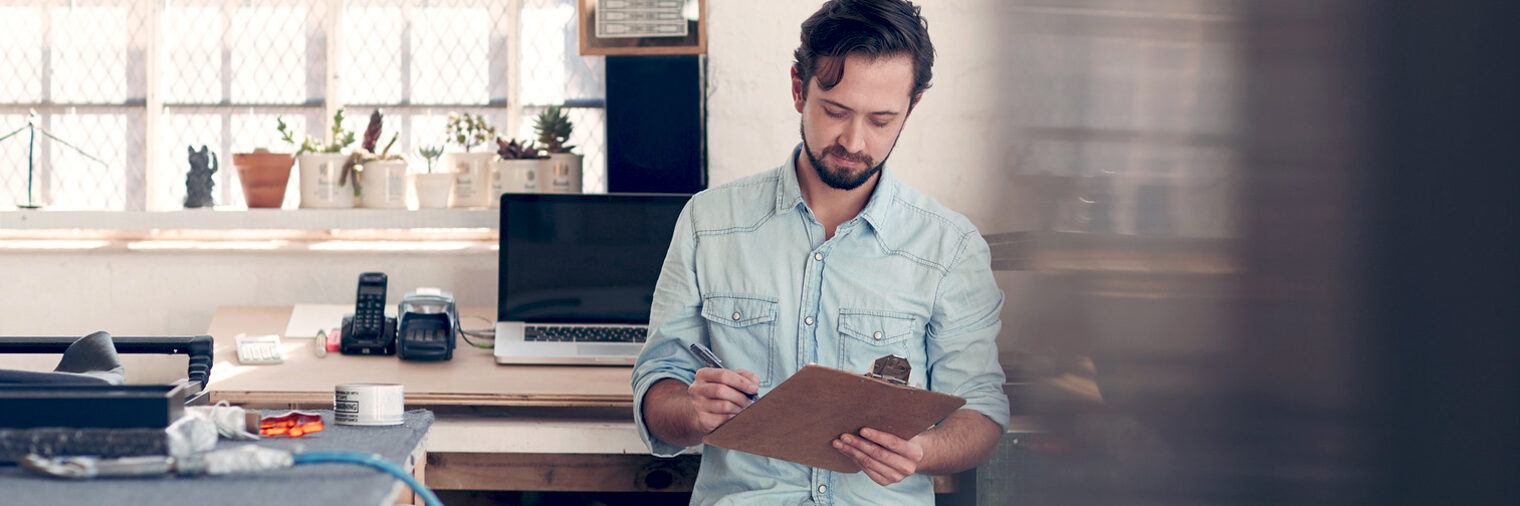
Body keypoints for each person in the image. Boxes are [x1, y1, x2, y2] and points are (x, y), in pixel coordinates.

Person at [631, 0, 1009, 503]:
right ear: (797, 88)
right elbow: (658, 385)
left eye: (881, 120)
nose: (854, 141)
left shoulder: (951, 246)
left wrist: (923, 450)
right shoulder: (708, 222)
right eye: (836, 111)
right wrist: (690, 410)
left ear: (911, 107)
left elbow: (982, 412)